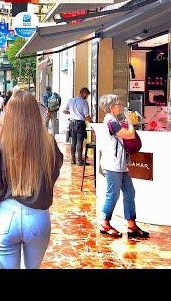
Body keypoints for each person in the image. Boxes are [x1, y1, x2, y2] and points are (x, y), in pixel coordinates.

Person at [0, 89, 63, 269]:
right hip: (38, 218)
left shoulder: (3, 143)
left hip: (6, 217)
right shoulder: (49, 142)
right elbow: (53, 174)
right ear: (36, 112)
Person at [97, 94, 149, 239]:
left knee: (129, 192)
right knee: (113, 194)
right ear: (111, 107)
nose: (120, 106)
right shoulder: (111, 122)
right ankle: (105, 223)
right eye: (118, 104)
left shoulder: (114, 120)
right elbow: (130, 135)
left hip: (120, 164)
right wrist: (130, 122)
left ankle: (131, 224)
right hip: (113, 164)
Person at [62, 87, 92, 165]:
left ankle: (72, 160)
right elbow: (87, 116)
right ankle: (79, 160)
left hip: (71, 123)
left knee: (73, 142)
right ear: (83, 93)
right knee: (79, 142)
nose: (87, 97)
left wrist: (72, 113)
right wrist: (92, 123)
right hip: (80, 124)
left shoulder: (71, 100)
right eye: (87, 95)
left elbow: (64, 111)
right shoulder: (84, 102)